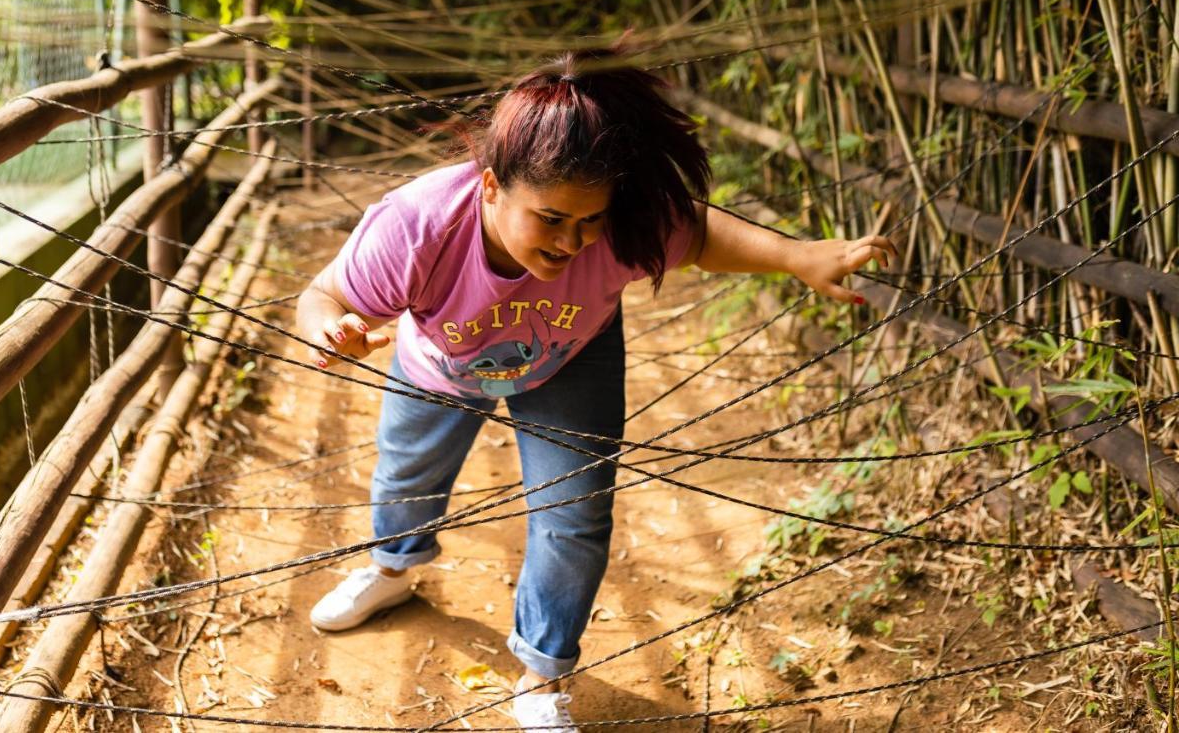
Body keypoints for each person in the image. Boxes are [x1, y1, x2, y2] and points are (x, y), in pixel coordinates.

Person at [295, 48, 895, 731]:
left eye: (589, 221)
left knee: (574, 514)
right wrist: (329, 331)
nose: (572, 241)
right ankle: (393, 570)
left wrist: (798, 255)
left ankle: (541, 675)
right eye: (550, 218)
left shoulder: (619, 227)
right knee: (406, 472)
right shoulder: (417, 225)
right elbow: (323, 295)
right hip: (440, 361)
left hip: (568, 358)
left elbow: (696, 232)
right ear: (491, 186)